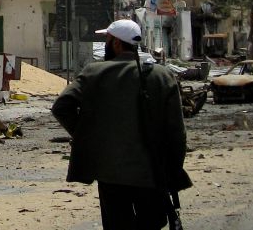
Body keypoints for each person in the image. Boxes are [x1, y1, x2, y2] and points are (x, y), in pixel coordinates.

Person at [51, 19, 191, 229]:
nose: (106, 43)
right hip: (152, 172)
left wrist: (87, 136)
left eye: (107, 39)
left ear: (116, 43)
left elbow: (62, 106)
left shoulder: (94, 73)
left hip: (110, 173)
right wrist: (172, 169)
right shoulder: (162, 75)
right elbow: (177, 134)